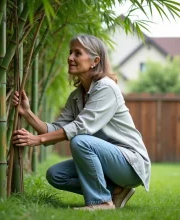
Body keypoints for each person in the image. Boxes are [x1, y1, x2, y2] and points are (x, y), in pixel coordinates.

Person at [12, 34, 151, 211]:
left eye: (77, 53)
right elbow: (57, 129)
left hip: (130, 163)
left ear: (95, 61)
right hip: (107, 160)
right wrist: (27, 113)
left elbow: (81, 128)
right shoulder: (77, 96)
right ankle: (116, 191)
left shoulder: (106, 87)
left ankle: (101, 202)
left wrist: (37, 140)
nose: (70, 58)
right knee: (56, 175)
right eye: (70, 53)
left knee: (80, 140)